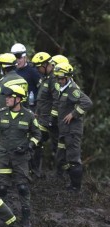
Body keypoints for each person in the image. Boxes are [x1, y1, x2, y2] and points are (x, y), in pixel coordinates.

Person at [0, 85, 41, 227]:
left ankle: (26, 219)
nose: (6, 100)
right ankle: (1, 217)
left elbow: (37, 134)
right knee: (2, 187)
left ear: (18, 99)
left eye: (9, 97)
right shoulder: (1, 113)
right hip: (3, 156)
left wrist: (29, 146)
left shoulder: (29, 115)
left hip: (20, 158)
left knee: (22, 187)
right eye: (6, 97)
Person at [53, 62, 93, 191]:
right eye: (57, 78)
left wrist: (73, 114)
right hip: (64, 131)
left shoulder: (72, 89)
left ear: (68, 77)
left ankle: (76, 187)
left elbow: (87, 102)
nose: (59, 81)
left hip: (72, 131)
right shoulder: (63, 89)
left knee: (73, 158)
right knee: (61, 157)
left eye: (61, 78)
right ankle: (66, 181)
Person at [30, 52, 59, 176]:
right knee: (37, 142)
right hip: (42, 119)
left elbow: (57, 100)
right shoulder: (45, 79)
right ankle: (35, 171)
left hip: (52, 121)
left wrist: (53, 118)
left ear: (46, 64)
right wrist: (37, 112)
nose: (38, 70)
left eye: (39, 67)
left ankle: (60, 174)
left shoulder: (54, 79)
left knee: (58, 147)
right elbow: (42, 99)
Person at [10, 43, 41, 109]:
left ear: (25, 57)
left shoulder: (33, 71)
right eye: (15, 59)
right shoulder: (13, 71)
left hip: (31, 107)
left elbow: (41, 90)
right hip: (16, 107)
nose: (17, 61)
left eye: (19, 58)